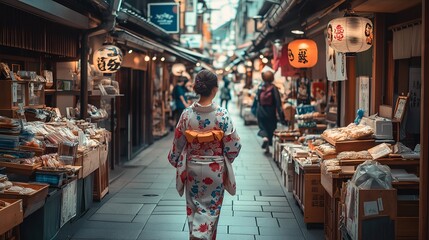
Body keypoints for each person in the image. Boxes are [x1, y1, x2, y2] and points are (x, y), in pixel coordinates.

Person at [168, 70, 241, 240]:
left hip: (193, 168)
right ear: (215, 89)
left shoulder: (187, 114)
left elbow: (178, 143)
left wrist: (175, 158)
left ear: (196, 88)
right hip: (215, 169)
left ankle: (195, 235)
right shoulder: (222, 115)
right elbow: (234, 145)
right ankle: (202, 235)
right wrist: (225, 156)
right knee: (212, 210)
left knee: (193, 208)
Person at [256, 70, 286, 154]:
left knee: (263, 127)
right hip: (270, 112)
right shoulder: (274, 88)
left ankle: (265, 139)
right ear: (272, 78)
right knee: (271, 129)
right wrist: (281, 117)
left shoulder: (260, 87)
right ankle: (267, 144)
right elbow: (278, 103)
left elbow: (257, 99)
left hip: (261, 111)